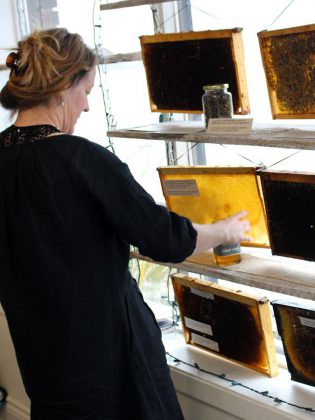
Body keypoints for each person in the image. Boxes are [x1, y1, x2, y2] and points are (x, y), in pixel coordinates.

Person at [0, 28, 251, 420]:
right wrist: (226, 230)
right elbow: (163, 239)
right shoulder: (82, 159)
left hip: (42, 360)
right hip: (107, 360)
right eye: (85, 91)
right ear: (63, 87)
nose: (85, 107)